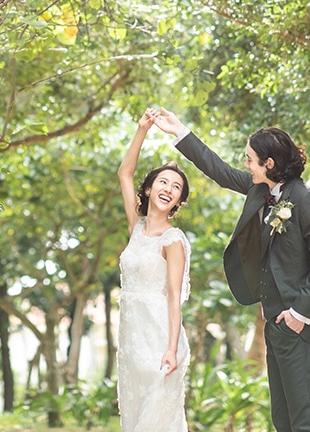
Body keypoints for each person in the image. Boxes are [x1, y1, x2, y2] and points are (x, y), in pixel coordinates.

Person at [153, 108, 310, 432]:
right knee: (283, 421)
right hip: (276, 324)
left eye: (251, 159)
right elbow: (219, 170)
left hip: (300, 326)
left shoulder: (307, 200)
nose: (246, 164)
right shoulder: (259, 190)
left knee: (306, 422)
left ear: (270, 164)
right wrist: (179, 131)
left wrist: (298, 313)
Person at [116, 108, 192, 432]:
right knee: (135, 418)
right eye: (163, 181)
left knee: (158, 420)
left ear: (177, 202)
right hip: (131, 340)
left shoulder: (173, 241)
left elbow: (174, 296)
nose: (169, 188)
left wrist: (172, 349)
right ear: (148, 189)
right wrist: (142, 129)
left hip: (160, 339)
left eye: (176, 187)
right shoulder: (136, 227)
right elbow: (124, 173)